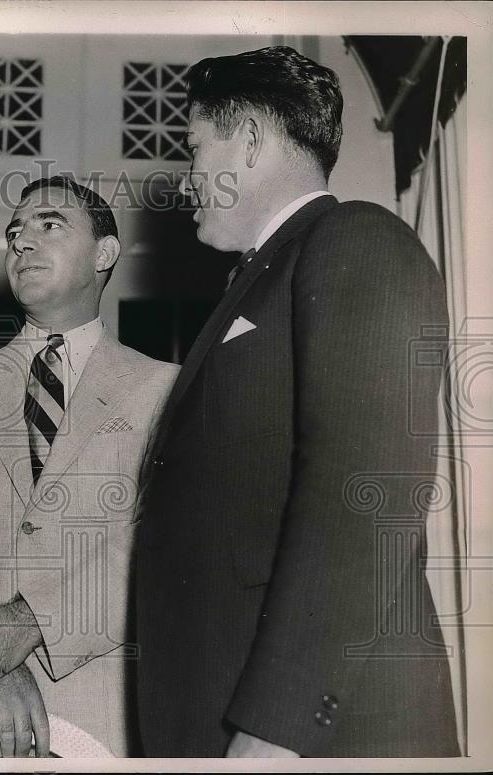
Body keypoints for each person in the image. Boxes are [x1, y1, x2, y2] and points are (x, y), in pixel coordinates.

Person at [135, 46, 459, 757]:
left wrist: (275, 724)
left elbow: (363, 491)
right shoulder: (250, 285)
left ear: (248, 139)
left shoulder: (355, 241)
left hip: (305, 737)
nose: (186, 177)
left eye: (194, 148)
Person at [0, 176, 179, 757]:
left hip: (97, 715)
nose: (20, 242)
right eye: (15, 231)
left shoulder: (165, 391)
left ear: (106, 253)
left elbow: (163, 545)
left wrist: (32, 622)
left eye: (49, 224)